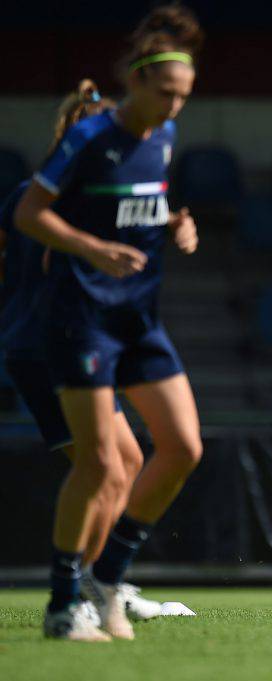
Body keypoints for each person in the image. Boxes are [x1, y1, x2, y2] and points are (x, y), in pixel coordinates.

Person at [15, 4, 204, 641]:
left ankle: (110, 573)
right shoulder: (88, 138)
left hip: (139, 320)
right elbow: (29, 214)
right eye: (167, 93)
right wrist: (92, 251)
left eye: (185, 96)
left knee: (183, 448)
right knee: (100, 465)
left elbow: (140, 208)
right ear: (139, 82)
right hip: (83, 321)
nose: (176, 105)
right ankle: (65, 602)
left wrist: (176, 224)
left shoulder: (165, 138)